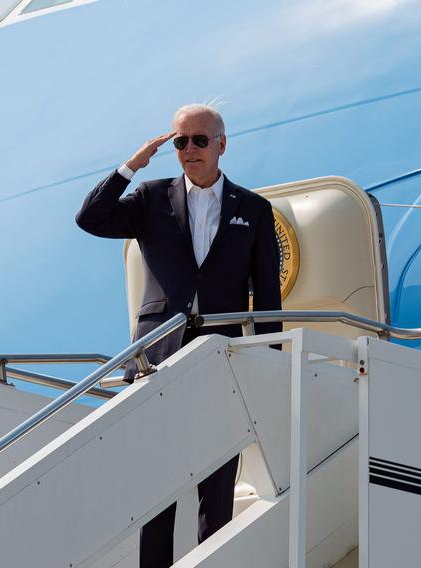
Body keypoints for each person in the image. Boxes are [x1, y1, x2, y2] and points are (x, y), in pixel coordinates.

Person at [75, 104, 282, 567]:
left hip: (220, 356)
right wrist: (131, 166)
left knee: (217, 482)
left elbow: (267, 299)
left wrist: (268, 363)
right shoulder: (149, 198)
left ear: (221, 144)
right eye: (179, 141)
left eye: (199, 140)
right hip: (157, 357)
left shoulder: (253, 209)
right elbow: (90, 218)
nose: (189, 150)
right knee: (156, 482)